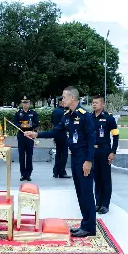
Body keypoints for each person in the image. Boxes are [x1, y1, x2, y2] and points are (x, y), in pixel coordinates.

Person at [26, 86, 96, 237]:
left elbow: (92, 139)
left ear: (72, 98)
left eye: (64, 97)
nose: (62, 100)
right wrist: (36, 134)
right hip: (75, 156)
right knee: (80, 191)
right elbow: (55, 131)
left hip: (84, 157)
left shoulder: (85, 115)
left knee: (86, 192)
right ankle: (86, 224)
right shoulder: (67, 116)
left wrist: (89, 161)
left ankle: (90, 227)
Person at [91, 95, 119, 214]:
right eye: (93, 102)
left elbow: (116, 136)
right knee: (96, 178)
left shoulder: (109, 118)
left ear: (103, 105)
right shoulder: (89, 117)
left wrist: (113, 151)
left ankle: (105, 205)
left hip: (104, 150)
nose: (94, 104)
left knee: (105, 178)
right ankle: (98, 203)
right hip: (93, 151)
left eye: (96, 102)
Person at [13, 95, 38, 181]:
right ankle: (23, 174)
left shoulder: (33, 113)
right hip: (21, 135)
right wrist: (21, 125)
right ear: (22, 103)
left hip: (30, 135)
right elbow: (15, 123)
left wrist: (30, 125)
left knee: (29, 155)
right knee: (21, 156)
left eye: (27, 102)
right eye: (24, 103)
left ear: (29, 103)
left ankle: (28, 174)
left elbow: (36, 123)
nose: (25, 104)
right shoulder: (18, 113)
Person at [52, 96, 70, 178]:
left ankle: (56, 172)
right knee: (64, 154)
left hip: (56, 134)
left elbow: (53, 122)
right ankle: (62, 172)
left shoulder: (55, 111)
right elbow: (66, 124)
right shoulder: (64, 112)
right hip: (63, 134)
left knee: (58, 153)